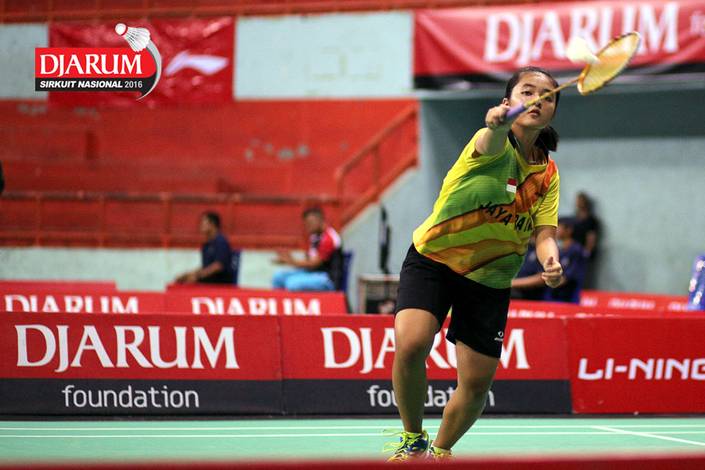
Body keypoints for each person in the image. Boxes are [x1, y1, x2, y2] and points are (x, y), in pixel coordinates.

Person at [388, 66, 564, 461]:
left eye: (547, 96)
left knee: (477, 384)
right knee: (412, 343)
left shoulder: (547, 174)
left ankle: (440, 452)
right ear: (507, 101)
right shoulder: (492, 143)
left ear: (553, 110)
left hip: (491, 279)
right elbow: (492, 134)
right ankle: (412, 440)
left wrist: (551, 262)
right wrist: (495, 122)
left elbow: (544, 234)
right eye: (527, 91)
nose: (537, 100)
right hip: (436, 258)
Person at [511, 218, 587, 303]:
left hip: (567, 300)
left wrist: (548, 279)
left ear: (569, 230)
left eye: (558, 227)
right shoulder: (558, 249)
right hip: (551, 298)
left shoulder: (576, 251)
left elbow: (564, 278)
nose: (555, 230)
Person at [272, 207, 343, 291]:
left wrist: (290, 261)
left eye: (310, 223)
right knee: (278, 277)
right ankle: (281, 299)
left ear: (320, 220)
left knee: (292, 283)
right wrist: (289, 258)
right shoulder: (315, 237)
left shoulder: (329, 238)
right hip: (313, 273)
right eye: (306, 224)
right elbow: (309, 260)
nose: (307, 227)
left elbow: (314, 263)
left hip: (327, 278)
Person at [175, 211, 234, 284]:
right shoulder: (207, 245)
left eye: (203, 222)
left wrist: (197, 276)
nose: (201, 225)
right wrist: (186, 275)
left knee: (191, 282)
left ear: (212, 224)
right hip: (210, 277)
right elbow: (205, 267)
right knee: (181, 280)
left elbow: (218, 266)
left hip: (220, 280)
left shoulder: (221, 242)